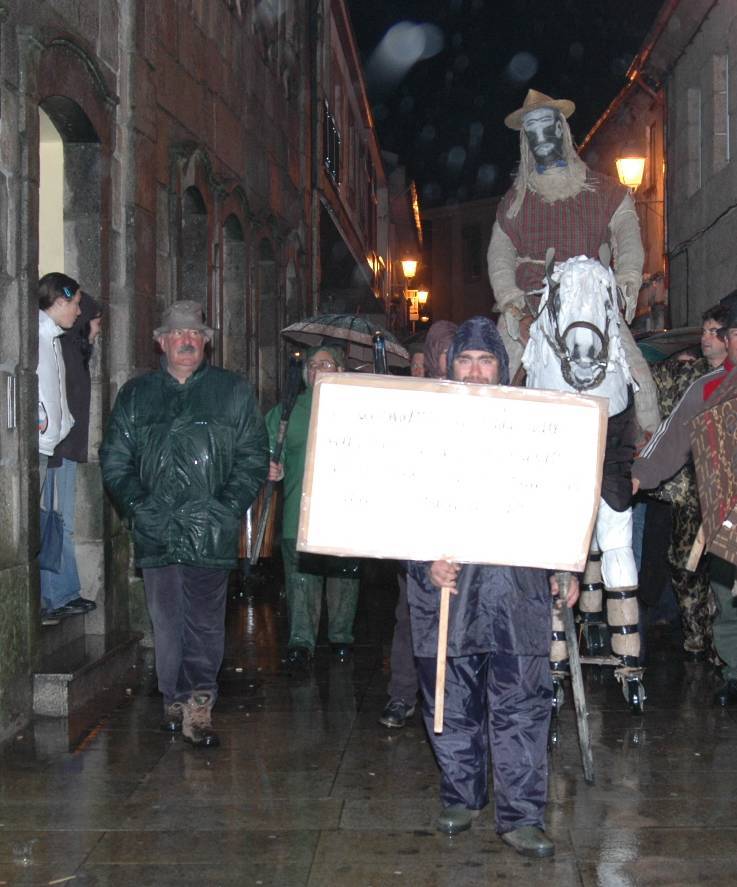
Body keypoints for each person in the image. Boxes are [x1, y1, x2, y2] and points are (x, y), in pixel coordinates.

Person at [407, 316, 579, 858]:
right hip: (451, 593)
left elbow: (560, 493)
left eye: (486, 360)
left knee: (521, 704)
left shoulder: (533, 423)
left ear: (502, 367)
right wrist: (422, 563)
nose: (476, 370)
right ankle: (462, 795)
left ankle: (522, 815)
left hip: (517, 588)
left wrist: (565, 565)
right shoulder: (423, 426)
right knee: (450, 700)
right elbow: (395, 502)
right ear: (449, 366)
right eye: (466, 360)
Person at [100, 300, 268, 747]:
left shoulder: (232, 392)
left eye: (194, 334)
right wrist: (139, 505)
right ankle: (172, 696)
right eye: (177, 334)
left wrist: (226, 506)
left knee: (205, 621)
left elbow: (253, 456)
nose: (186, 340)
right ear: (161, 342)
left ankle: (198, 701)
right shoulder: (136, 395)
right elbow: (115, 459)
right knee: (166, 618)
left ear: (207, 342)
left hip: (210, 529)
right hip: (156, 528)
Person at [487, 88, 660, 438]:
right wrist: (513, 307)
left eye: (546, 125)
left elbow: (628, 238)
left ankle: (645, 448)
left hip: (593, 303)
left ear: (562, 130)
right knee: (490, 377)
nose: (541, 136)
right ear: (525, 140)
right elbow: (499, 256)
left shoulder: (607, 192)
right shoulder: (514, 202)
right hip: (534, 306)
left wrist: (625, 287)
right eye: (531, 129)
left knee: (642, 381)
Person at [633, 301, 737, 705]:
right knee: (727, 598)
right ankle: (734, 674)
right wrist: (637, 475)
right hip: (726, 517)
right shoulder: (706, 388)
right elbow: (670, 439)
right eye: (733, 335)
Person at [380, 320, 457, 729]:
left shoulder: (479, 396)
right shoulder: (410, 402)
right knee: (410, 614)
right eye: (439, 351)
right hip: (417, 531)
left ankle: (452, 699)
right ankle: (402, 695)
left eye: (452, 351)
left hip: (464, 531)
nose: (445, 359)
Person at [266, 344, 360, 671]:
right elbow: (265, 448)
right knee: (301, 576)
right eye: (313, 365)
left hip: (344, 509)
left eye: (327, 364)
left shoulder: (357, 408)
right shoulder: (287, 410)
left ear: (340, 370)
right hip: (299, 509)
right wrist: (270, 465)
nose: (319, 369)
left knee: (343, 574)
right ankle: (301, 641)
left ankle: (340, 636)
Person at [41, 292, 103, 621]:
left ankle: (63, 591)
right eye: (94, 320)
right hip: (58, 449)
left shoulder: (73, 351)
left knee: (61, 522)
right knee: (57, 523)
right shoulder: (60, 348)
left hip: (65, 448)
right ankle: (57, 594)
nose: (98, 328)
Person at [37, 273, 82, 626]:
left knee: (48, 523)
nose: (79, 312)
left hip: (51, 444)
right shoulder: (38, 338)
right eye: (76, 303)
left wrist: (62, 424)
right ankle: (46, 598)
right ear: (61, 300)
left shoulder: (53, 339)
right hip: (42, 447)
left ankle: (50, 597)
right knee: (43, 524)